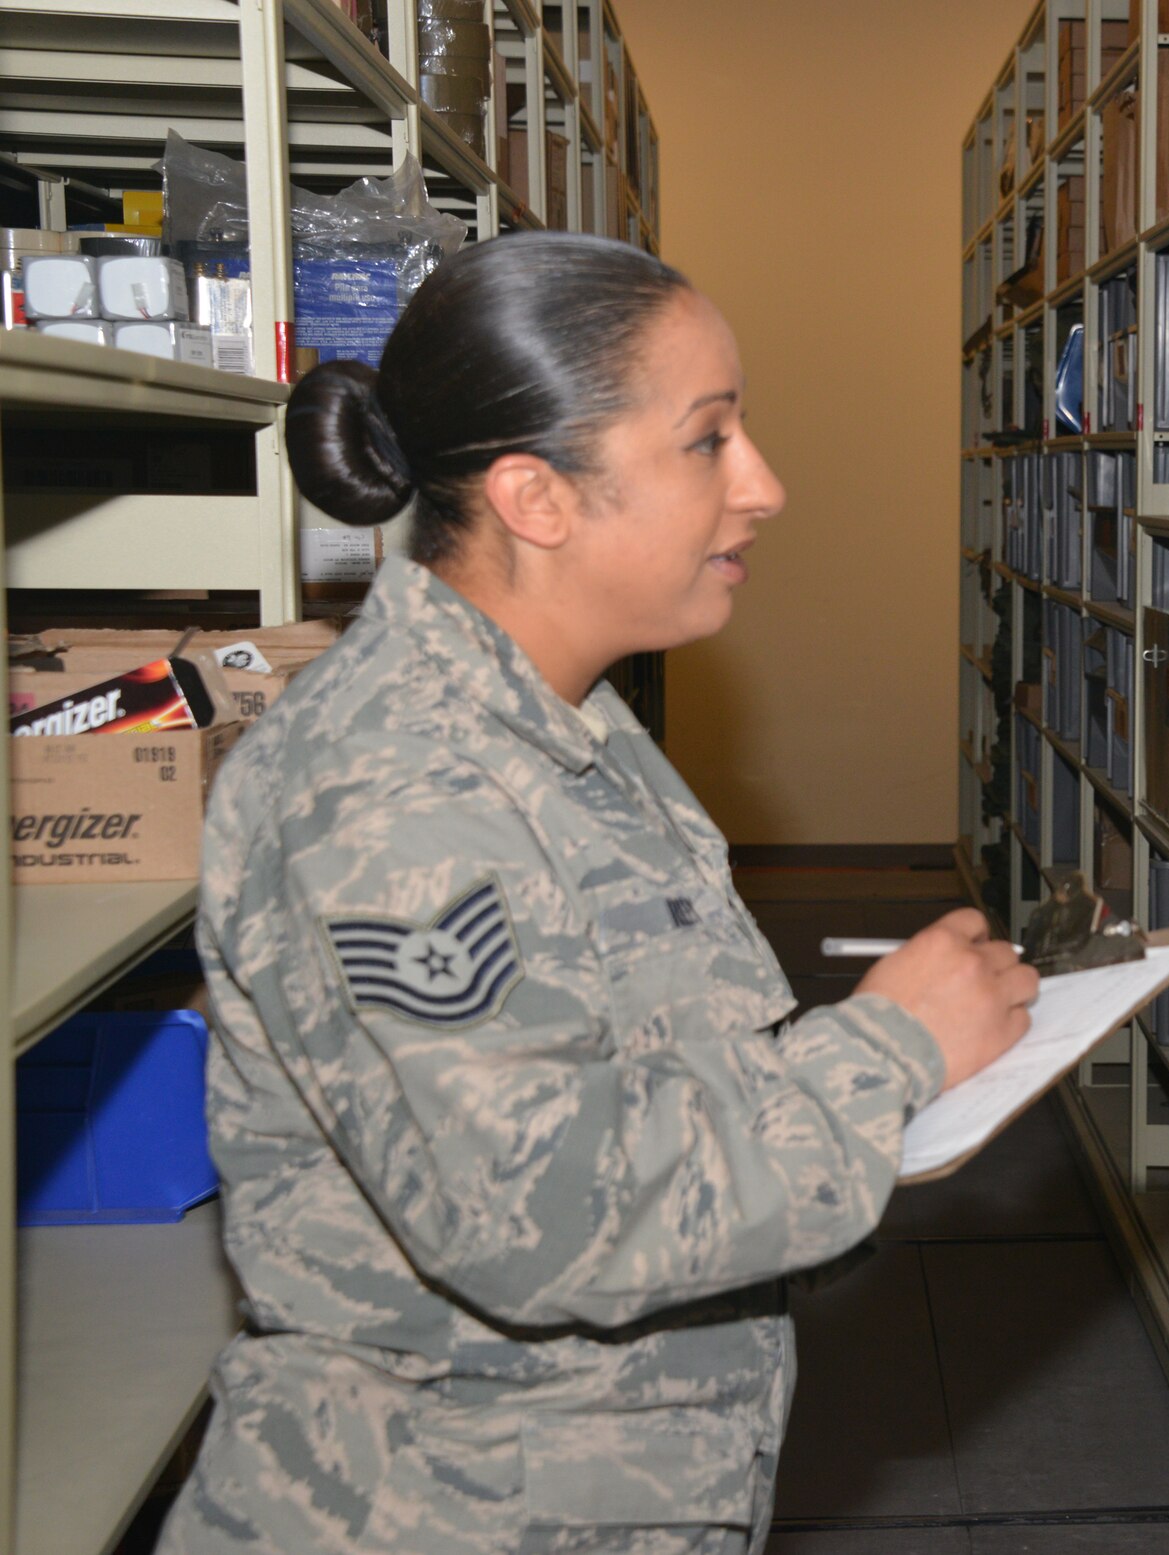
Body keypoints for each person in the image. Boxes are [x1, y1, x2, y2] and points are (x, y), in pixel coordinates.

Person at [158, 232, 1038, 1554]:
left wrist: (881, 1046)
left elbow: (624, 1060)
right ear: (537, 496)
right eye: (708, 441)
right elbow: (536, 1215)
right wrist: (885, 1049)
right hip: (437, 1512)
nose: (765, 487)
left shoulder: (562, 723)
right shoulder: (391, 790)